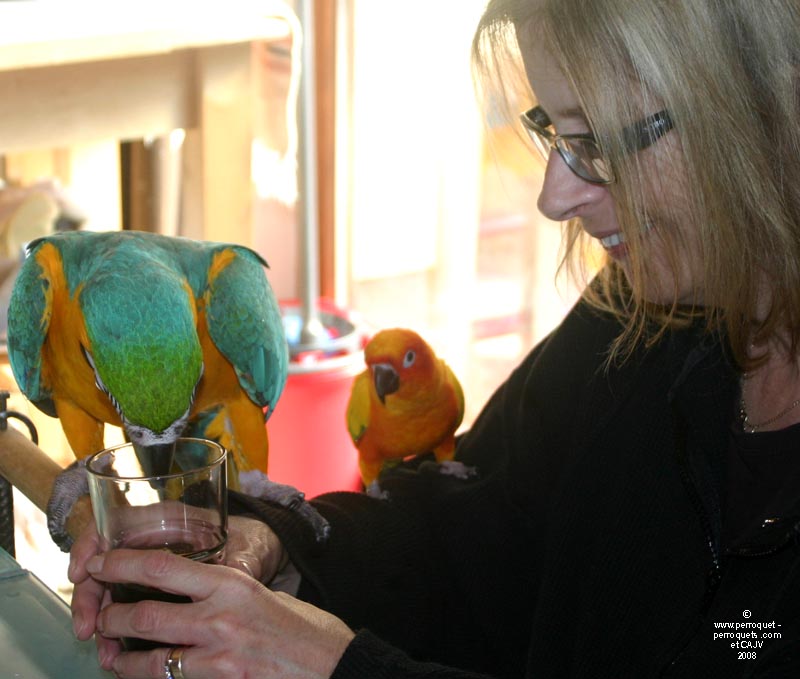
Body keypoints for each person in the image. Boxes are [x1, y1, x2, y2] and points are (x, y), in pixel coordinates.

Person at [69, 0, 800, 676]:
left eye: (600, 140)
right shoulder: (637, 324)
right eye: (555, 132)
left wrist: (338, 666)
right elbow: (484, 527)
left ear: (768, 108)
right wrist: (285, 552)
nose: (554, 196)